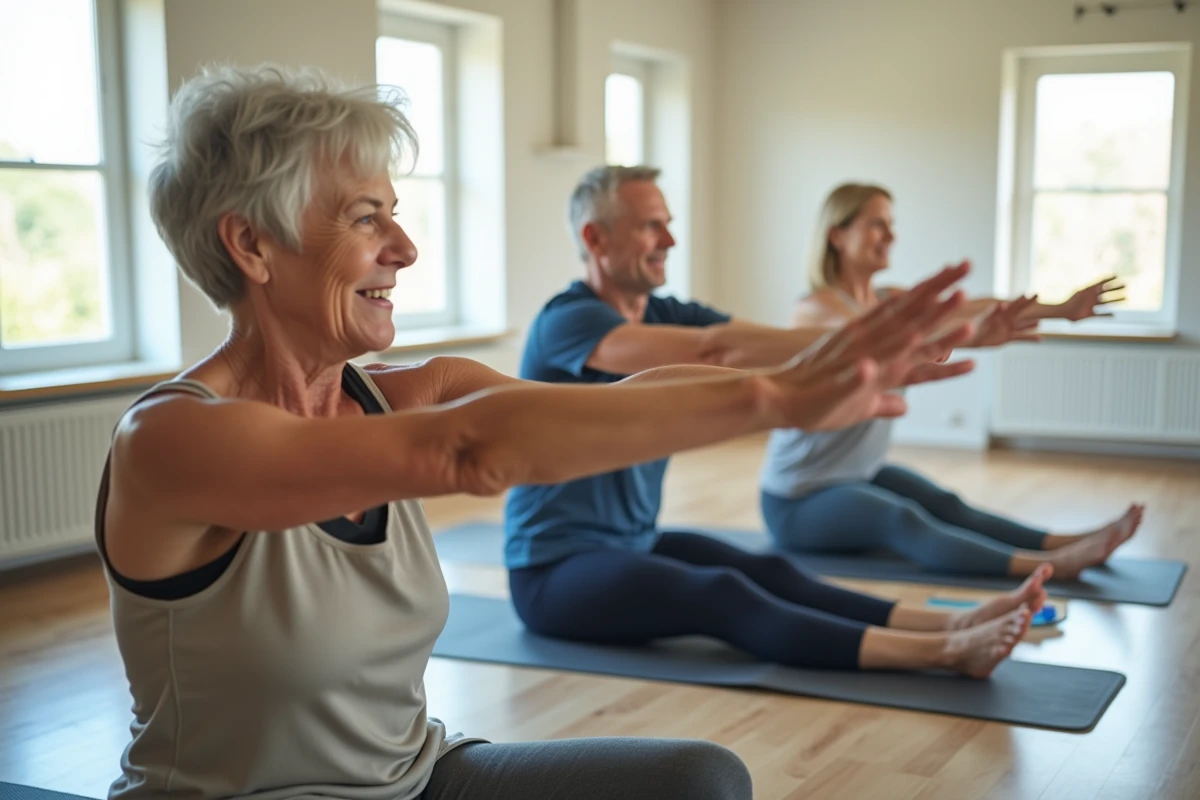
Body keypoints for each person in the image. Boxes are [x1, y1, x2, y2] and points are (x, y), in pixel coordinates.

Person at [96, 67, 981, 800]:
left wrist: (793, 380)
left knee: (700, 780)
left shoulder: (403, 392)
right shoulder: (172, 443)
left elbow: (624, 395)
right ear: (251, 246)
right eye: (367, 218)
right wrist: (777, 401)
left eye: (393, 214)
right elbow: (471, 450)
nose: (403, 247)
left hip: (419, 780)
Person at [503, 165, 1043, 681]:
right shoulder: (567, 322)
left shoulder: (667, 311)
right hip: (554, 572)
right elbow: (719, 350)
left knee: (770, 572)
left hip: (632, 542)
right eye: (651, 226)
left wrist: (895, 347)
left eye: (668, 223)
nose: (670, 239)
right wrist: (876, 344)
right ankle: (944, 652)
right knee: (721, 594)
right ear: (595, 239)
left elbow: (773, 349)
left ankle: (952, 622)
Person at [759, 182, 1145, 578]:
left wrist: (1061, 308)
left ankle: (1067, 542)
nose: (892, 236)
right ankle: (1050, 567)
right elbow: (866, 337)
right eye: (878, 225)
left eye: (892, 224)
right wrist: (941, 334)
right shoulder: (813, 310)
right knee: (902, 519)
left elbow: (976, 307)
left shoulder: (889, 300)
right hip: (798, 500)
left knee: (947, 505)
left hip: (858, 471)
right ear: (837, 235)